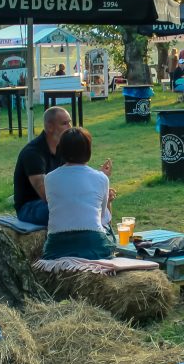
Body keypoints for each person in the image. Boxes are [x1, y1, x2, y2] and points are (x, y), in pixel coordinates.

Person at [42, 127, 117, 259]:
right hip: (92, 244)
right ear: (88, 150)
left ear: (61, 150)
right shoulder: (101, 178)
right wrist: (102, 178)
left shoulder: (49, 178)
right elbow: (103, 217)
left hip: (56, 247)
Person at [13, 106, 73, 225]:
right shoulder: (32, 153)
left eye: (69, 122)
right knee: (65, 210)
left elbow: (75, 176)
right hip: (30, 206)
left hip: (55, 201)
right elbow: (46, 194)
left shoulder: (63, 148)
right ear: (50, 127)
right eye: (64, 123)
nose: (70, 127)